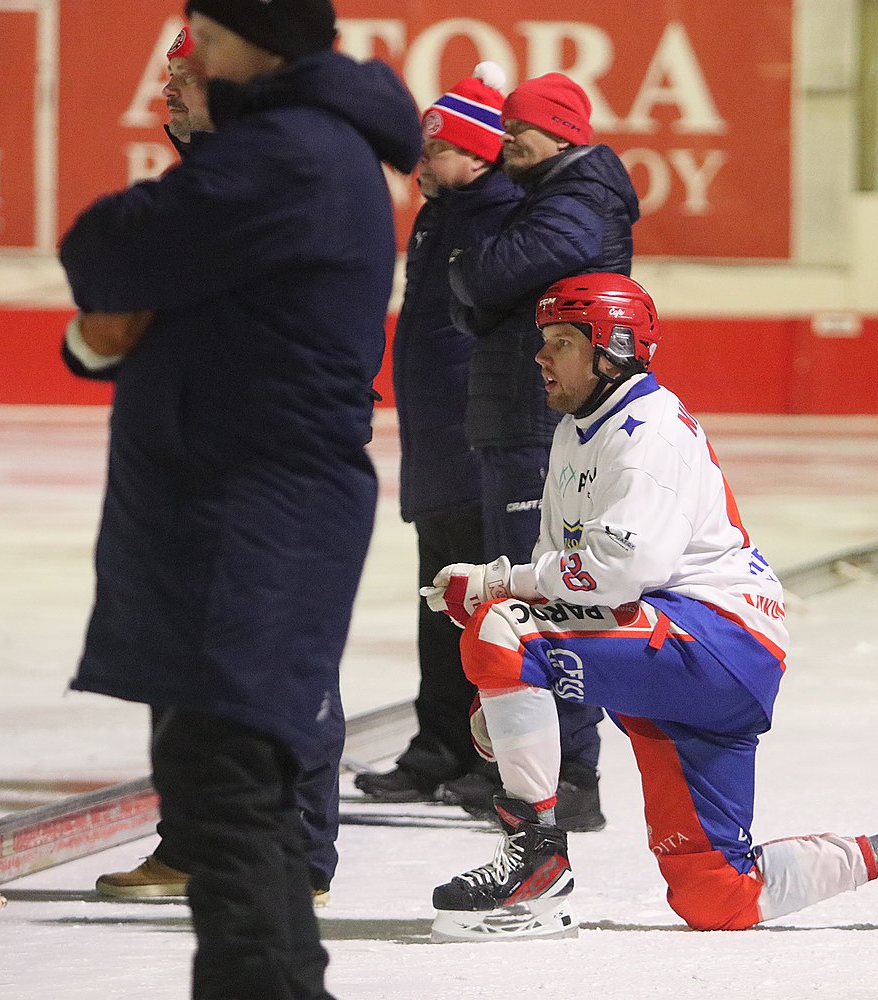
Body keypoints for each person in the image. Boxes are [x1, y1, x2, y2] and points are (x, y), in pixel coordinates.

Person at [420, 274, 878, 940]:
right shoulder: (581, 429)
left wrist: (501, 588)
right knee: (717, 896)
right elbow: (577, 586)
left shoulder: (647, 432)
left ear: (616, 350)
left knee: (502, 632)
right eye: (544, 340)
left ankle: (535, 871)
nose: (542, 356)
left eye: (563, 342)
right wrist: (516, 694)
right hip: (708, 653)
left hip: (712, 639)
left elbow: (625, 569)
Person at [58, 1, 419, 995]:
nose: (189, 65)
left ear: (266, 47)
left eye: (206, 42)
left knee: (229, 788)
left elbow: (105, 247)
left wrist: (119, 296)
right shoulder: (283, 151)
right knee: (230, 786)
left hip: (255, 510)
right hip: (234, 504)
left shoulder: (287, 153)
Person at [89, 25, 341, 907]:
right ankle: (194, 843)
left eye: (185, 76)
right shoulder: (201, 185)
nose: (167, 90)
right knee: (186, 659)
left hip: (269, 457)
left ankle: (294, 856)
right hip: (190, 459)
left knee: (278, 656)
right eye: (165, 76)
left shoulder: (285, 172)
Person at [431, 72, 644, 826]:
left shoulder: (576, 202)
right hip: (517, 416)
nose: (506, 137)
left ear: (561, 133)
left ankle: (572, 779)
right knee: (521, 593)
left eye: (520, 127)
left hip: (532, 419)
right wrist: (475, 290)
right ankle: (551, 774)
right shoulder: (548, 199)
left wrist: (467, 276)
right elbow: (478, 296)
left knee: (542, 598)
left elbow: (486, 277)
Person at [351, 66, 528, 805]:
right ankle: (440, 748)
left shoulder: (499, 213)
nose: (421, 163)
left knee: (483, 607)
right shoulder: (444, 212)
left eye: (437, 150)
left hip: (473, 444)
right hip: (434, 440)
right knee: (440, 602)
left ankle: (492, 760)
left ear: (481, 151)